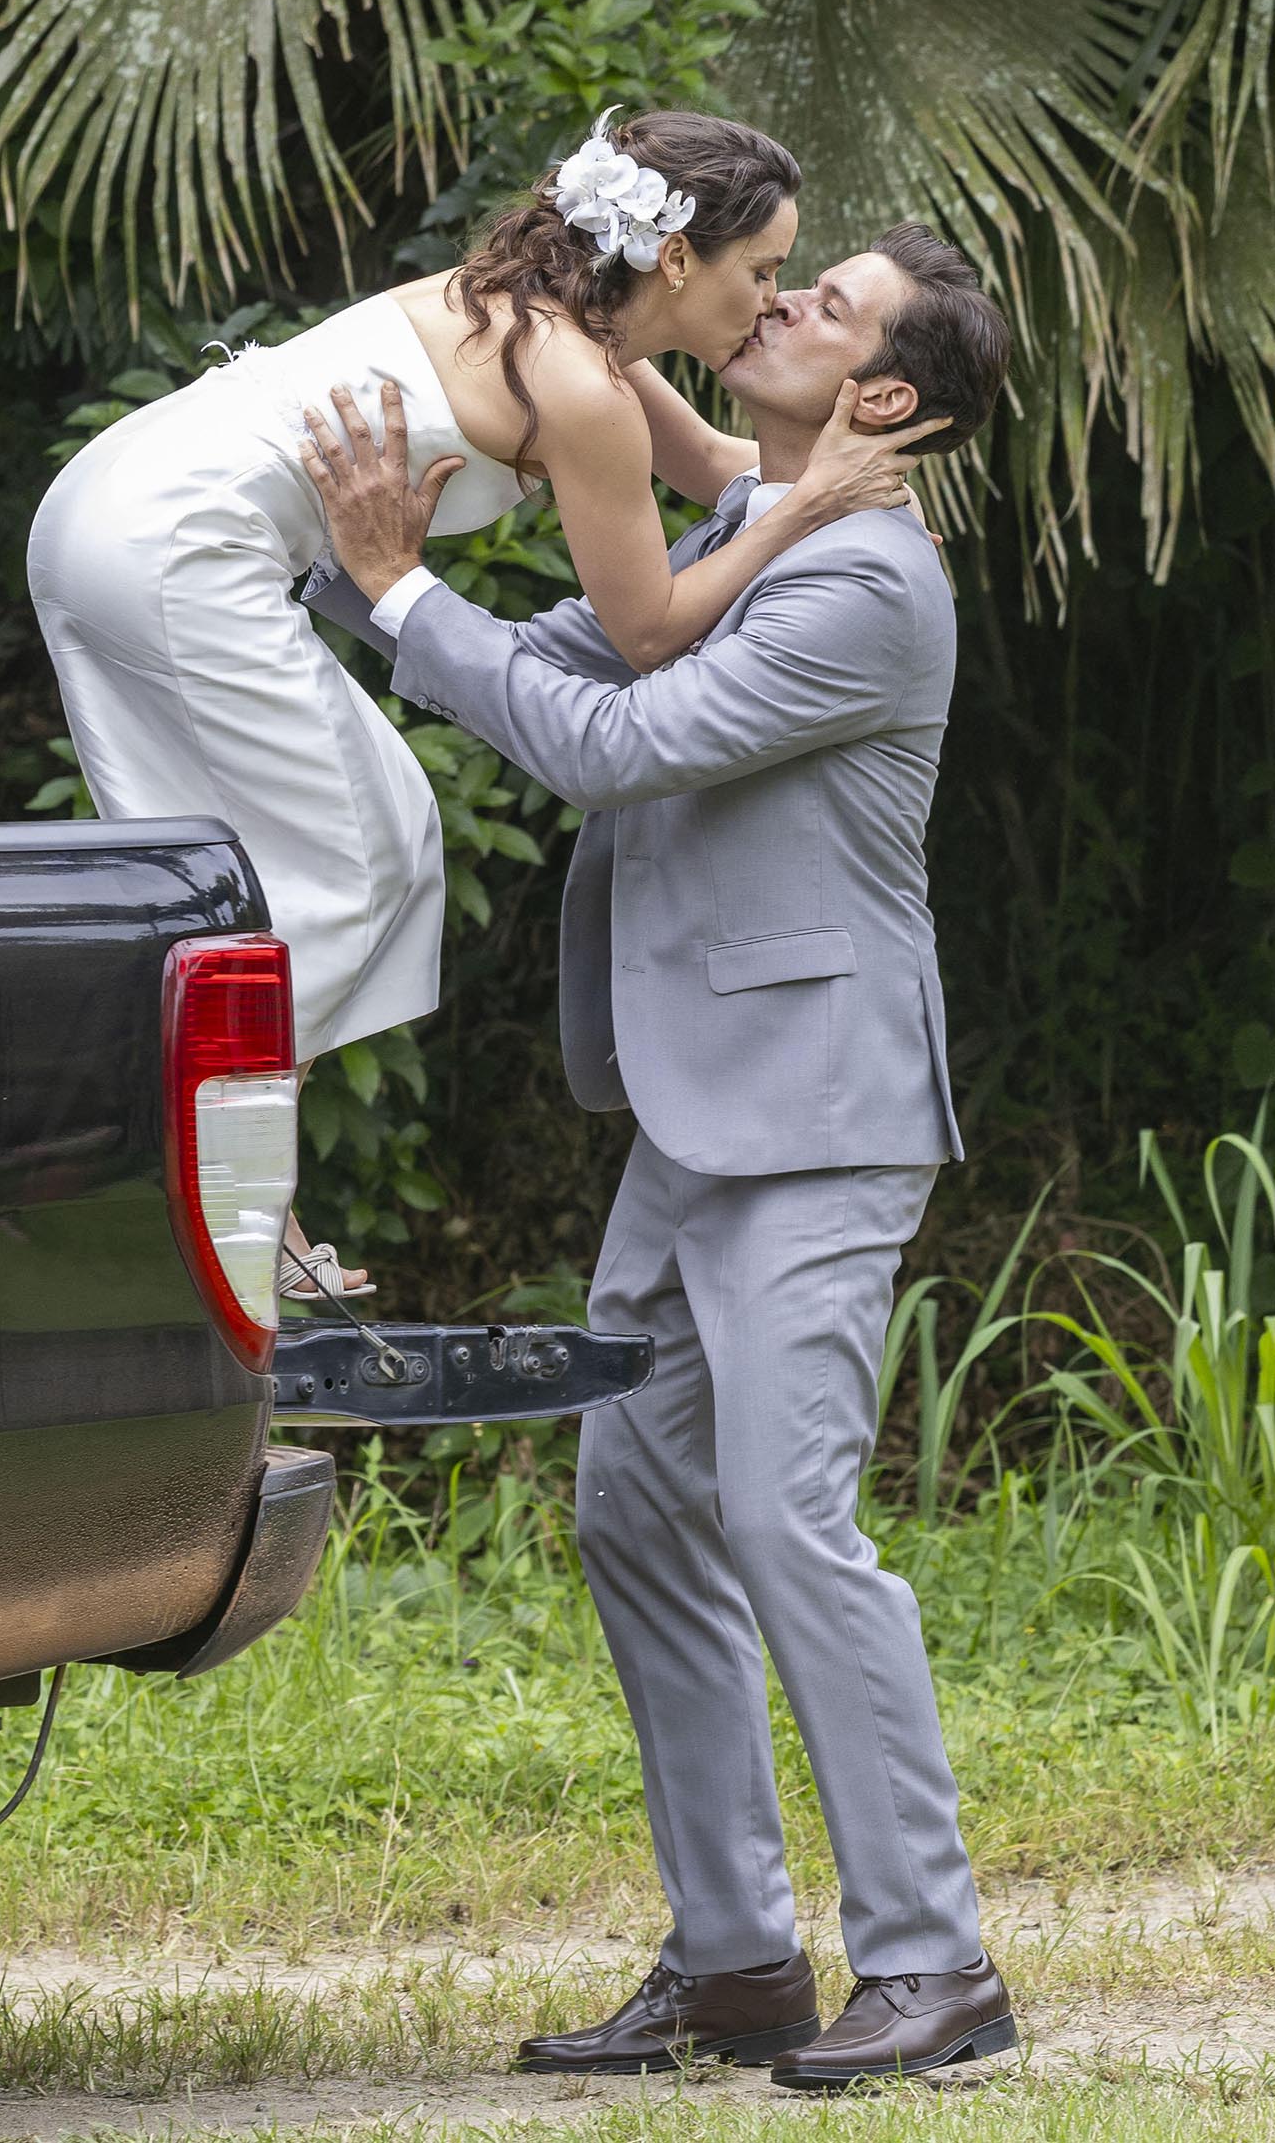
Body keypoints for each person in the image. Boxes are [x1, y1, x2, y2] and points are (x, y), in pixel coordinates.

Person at [296, 222, 1018, 2092]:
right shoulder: (741, 533)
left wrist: (400, 598)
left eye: (825, 304)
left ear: (886, 397)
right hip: (698, 1117)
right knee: (636, 1515)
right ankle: (739, 1964)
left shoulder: (862, 580)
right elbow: (563, 644)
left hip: (816, 1120)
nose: (775, 301)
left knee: (789, 1520)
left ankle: (937, 1970)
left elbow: (621, 742)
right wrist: (344, 584)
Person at [26, 110, 933, 1299]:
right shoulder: (585, 384)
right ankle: (196, 1198)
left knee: (224, 878)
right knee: (365, 864)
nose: (770, 302)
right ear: (675, 258)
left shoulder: (549, 318)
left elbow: (726, 470)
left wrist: (840, 490)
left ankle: (239, 1219)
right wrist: (815, 512)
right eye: (763, 271)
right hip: (175, 546)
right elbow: (649, 630)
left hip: (103, 504)